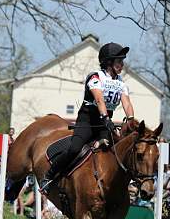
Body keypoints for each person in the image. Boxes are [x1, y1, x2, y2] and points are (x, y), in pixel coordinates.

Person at [40, 42, 134, 194]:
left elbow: (127, 102)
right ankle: (49, 176)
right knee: (75, 148)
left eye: (122, 61)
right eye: (119, 61)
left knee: (117, 150)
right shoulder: (96, 77)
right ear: (108, 62)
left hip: (105, 123)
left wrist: (131, 120)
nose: (122, 64)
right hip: (88, 120)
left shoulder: (120, 82)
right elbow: (99, 100)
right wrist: (105, 118)